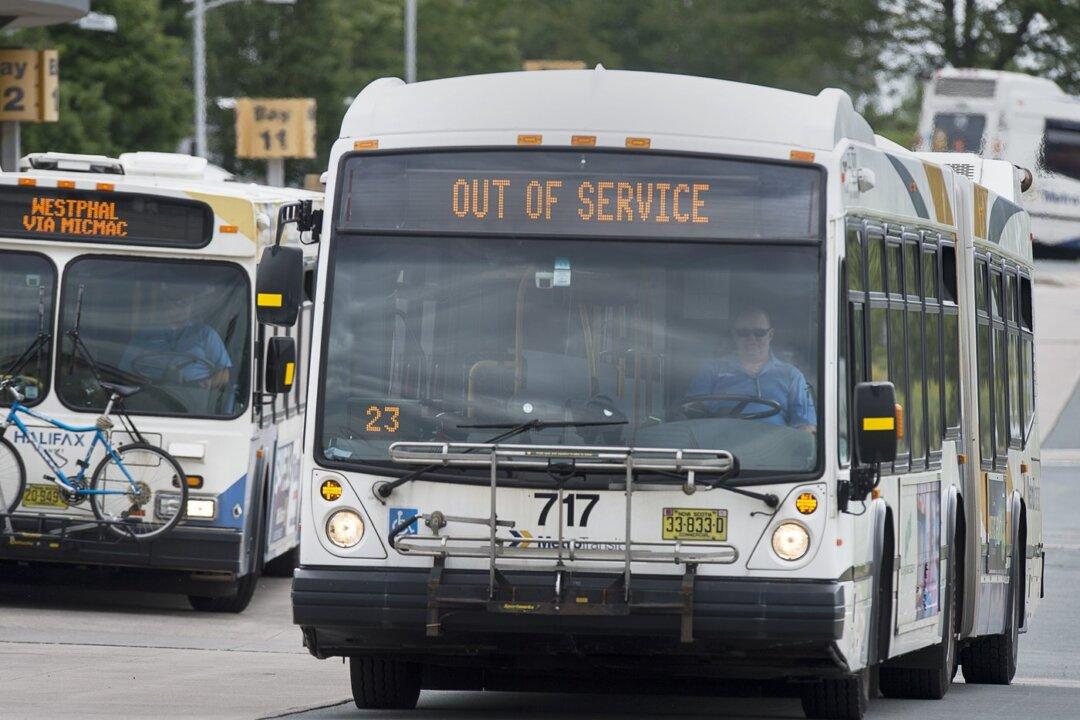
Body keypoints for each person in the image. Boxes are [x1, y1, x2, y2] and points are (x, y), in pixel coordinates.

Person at [685, 306, 816, 431]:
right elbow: (692, 414)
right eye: (743, 333)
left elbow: (805, 425)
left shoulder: (791, 375)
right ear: (734, 335)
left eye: (759, 333)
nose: (751, 339)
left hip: (775, 450)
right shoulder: (712, 370)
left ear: (770, 335)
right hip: (723, 450)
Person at [119, 294, 231, 390]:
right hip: (150, 394)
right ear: (166, 304)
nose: (185, 307)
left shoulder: (205, 333)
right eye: (179, 302)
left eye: (188, 303)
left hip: (194, 399)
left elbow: (224, 373)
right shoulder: (145, 333)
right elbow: (125, 372)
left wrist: (209, 384)